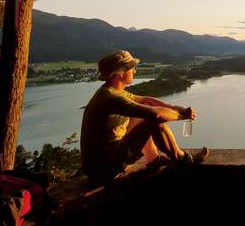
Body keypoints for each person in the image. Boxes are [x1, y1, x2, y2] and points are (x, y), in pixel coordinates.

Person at [80, 50, 208, 184]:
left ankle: (154, 160)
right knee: (153, 120)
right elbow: (156, 114)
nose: (135, 71)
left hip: (103, 163)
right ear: (118, 74)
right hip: (104, 171)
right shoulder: (109, 98)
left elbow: (145, 100)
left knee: (147, 113)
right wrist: (181, 115)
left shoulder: (112, 92)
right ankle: (184, 160)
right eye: (131, 68)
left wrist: (172, 107)